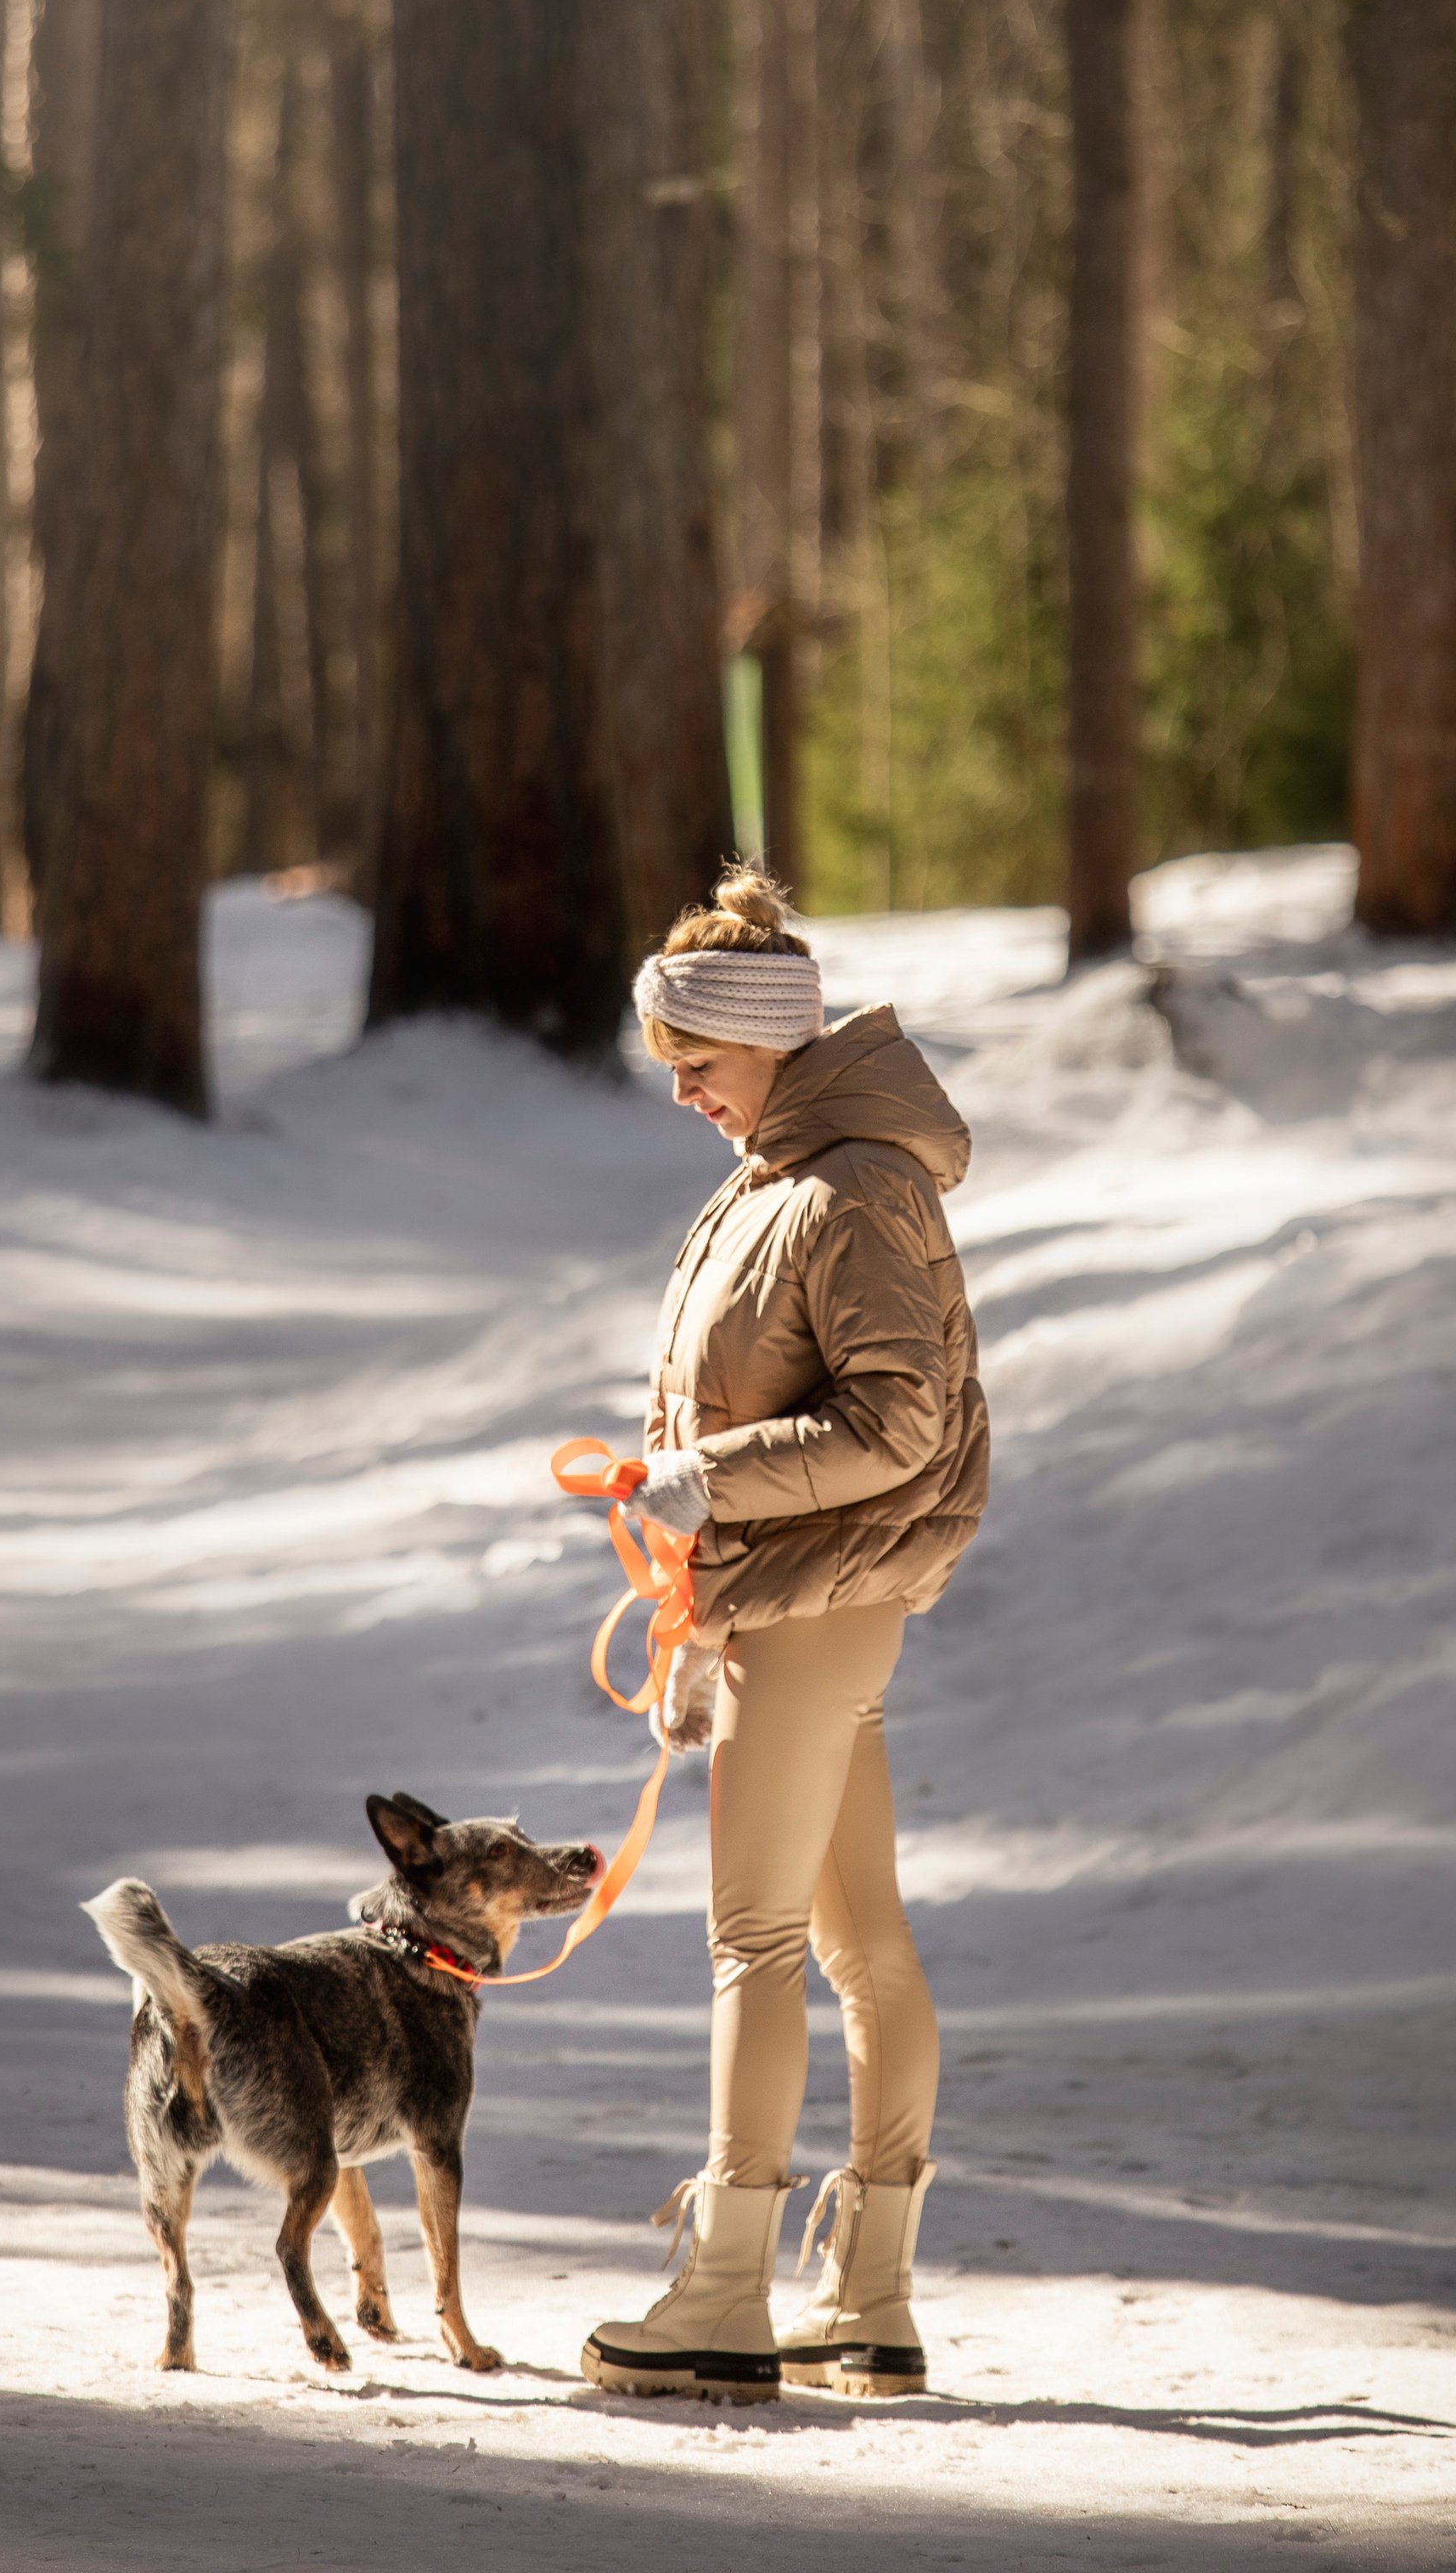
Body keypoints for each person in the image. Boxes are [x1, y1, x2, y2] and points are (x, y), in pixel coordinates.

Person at [581, 864, 989, 2404]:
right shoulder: (781, 1177)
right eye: (669, 1063)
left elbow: (898, 1420)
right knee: (855, 1939)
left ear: (774, 1042)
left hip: (818, 1604)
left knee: (752, 1940)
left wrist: (708, 1483)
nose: (683, 1089)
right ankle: (867, 2301)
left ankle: (724, 2293)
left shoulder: (850, 1188)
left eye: (698, 1059)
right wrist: (696, 1561)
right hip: (794, 1600)